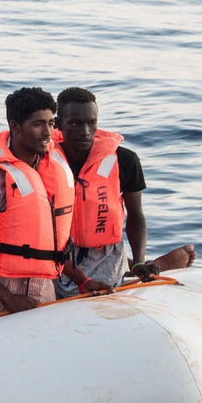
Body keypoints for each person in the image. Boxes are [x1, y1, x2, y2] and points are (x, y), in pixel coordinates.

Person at [0, 88, 112, 316]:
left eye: (51, 123)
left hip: (43, 298)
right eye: (38, 124)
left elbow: (48, 250)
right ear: (15, 127)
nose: (48, 133)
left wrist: (83, 282)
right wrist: (8, 298)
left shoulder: (53, 168)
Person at [55, 87, 161, 294]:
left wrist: (138, 262)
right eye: (75, 123)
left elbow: (136, 215)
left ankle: (143, 265)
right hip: (59, 266)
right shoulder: (44, 162)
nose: (85, 132)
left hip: (108, 265)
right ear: (58, 124)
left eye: (91, 123)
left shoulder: (125, 160)